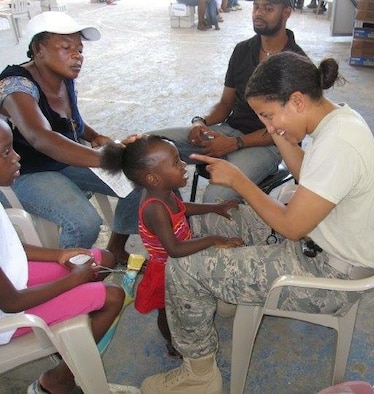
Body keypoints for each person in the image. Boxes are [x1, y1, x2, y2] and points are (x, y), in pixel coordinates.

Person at [140, 52, 374, 393]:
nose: (266, 127)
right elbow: (305, 174)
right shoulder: (337, 121)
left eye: (268, 115)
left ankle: (200, 376)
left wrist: (239, 180)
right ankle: (220, 290)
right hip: (317, 243)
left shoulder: (339, 142)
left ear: (297, 101)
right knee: (216, 218)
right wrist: (279, 130)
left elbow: (292, 227)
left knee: (182, 268)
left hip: (327, 275)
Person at [0, 11, 142, 263]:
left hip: (63, 160)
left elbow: (69, 119)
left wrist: (96, 136)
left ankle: (116, 248)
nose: (77, 56)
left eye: (80, 49)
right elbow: (40, 137)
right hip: (28, 172)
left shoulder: (62, 75)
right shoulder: (16, 85)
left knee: (139, 179)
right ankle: (68, 282)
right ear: (38, 49)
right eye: (66, 47)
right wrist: (109, 158)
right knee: (84, 223)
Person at [0, 118, 126, 394]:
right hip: (9, 315)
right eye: (6, 152)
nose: (17, 156)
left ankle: (73, 341)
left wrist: (60, 254)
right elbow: (11, 302)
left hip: (15, 277)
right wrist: (73, 280)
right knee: (113, 295)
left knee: (103, 259)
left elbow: (10, 247)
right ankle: (57, 381)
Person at [101, 135, 244, 358]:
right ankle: (172, 341)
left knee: (182, 302)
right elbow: (175, 249)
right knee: (168, 310)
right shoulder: (154, 208)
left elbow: (181, 208)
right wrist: (213, 239)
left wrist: (214, 208)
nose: (184, 165)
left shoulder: (164, 193)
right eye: (176, 162)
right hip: (166, 268)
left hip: (179, 260)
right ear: (153, 178)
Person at [151, 0, 307, 203]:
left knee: (216, 198)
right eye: (256, 6)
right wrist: (201, 122)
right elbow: (226, 103)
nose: (258, 13)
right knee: (146, 149)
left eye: (268, 9)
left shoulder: (298, 64)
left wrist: (234, 144)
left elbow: (287, 131)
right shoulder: (242, 50)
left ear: (287, 12)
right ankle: (175, 216)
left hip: (268, 144)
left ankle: (211, 231)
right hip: (228, 130)